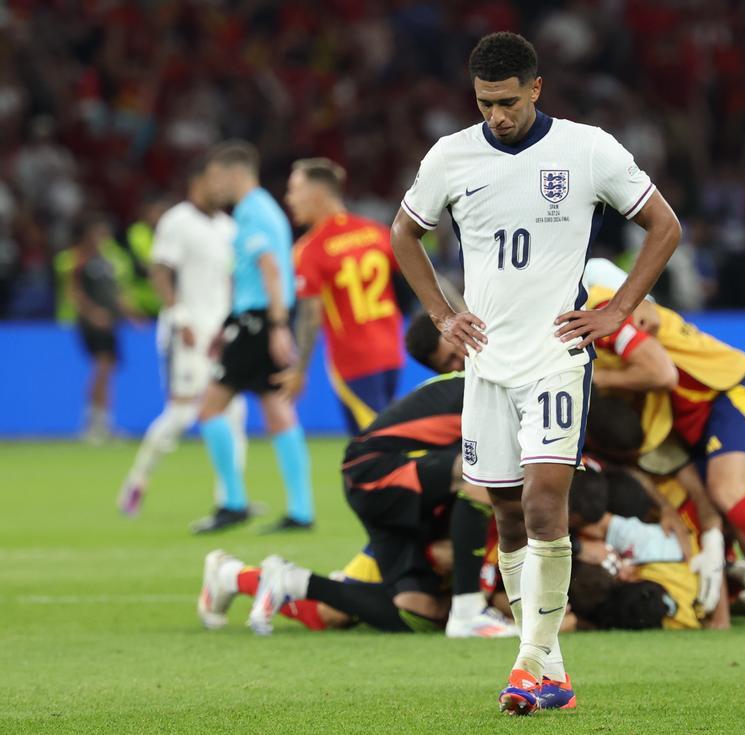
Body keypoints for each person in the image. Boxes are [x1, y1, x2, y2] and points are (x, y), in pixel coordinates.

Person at [390, 32, 680, 715]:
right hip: (488, 366)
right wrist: (441, 315)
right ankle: (552, 668)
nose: (498, 116)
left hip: (556, 357)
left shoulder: (587, 149)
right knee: (507, 517)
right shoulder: (451, 156)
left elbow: (663, 225)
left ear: (537, 88)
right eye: (486, 103)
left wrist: (620, 311)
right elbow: (403, 232)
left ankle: (525, 666)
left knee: (546, 506)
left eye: (509, 102)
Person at [582, 282, 745, 632]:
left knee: (729, 493)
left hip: (728, 390)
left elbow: (661, 373)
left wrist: (595, 378)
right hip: (705, 418)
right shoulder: (614, 322)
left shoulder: (607, 314)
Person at [200, 373, 517, 639]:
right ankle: (468, 610)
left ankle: (242, 575)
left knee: (420, 611)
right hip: (378, 478)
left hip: (412, 502)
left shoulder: (475, 397)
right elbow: (446, 548)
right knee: (480, 472)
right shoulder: (487, 396)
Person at [191, 141, 314, 534]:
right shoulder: (265, 209)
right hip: (258, 319)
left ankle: (233, 502)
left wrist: (277, 325)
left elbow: (270, 269)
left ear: (232, 172)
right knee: (277, 410)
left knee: (210, 408)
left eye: (215, 177)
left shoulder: (251, 211)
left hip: (259, 321)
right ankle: (300, 509)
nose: (213, 186)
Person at [118, 160, 247, 517]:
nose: (222, 187)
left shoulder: (227, 226)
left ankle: (230, 499)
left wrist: (231, 322)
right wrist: (180, 317)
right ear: (196, 182)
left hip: (222, 333)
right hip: (188, 333)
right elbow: (160, 271)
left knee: (234, 412)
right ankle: (138, 481)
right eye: (215, 180)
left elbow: (232, 279)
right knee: (181, 414)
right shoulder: (177, 221)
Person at [277, 158, 405, 432]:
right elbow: (426, 277)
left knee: (373, 450)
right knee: (379, 443)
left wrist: (299, 370)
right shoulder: (376, 232)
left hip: (353, 361)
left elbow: (309, 317)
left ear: (317, 193)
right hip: (392, 353)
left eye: (294, 190)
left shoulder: (310, 249)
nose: (289, 199)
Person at [69, 214, 141, 444]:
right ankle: (93, 424)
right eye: (99, 234)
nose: (103, 238)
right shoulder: (80, 260)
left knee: (107, 371)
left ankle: (103, 424)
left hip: (111, 324)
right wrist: (92, 314)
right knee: (101, 368)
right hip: (93, 325)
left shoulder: (107, 262)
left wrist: (132, 315)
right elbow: (74, 293)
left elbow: (115, 294)